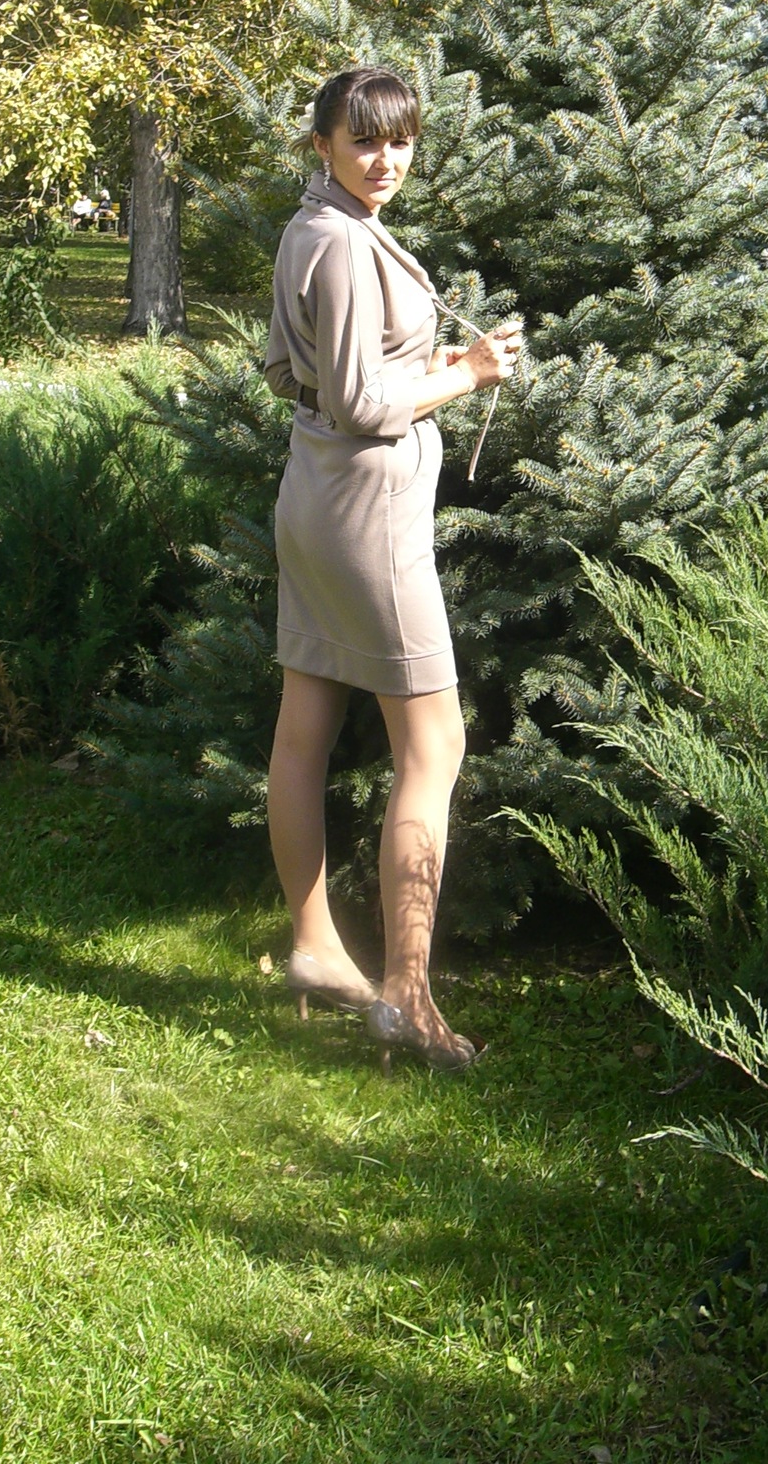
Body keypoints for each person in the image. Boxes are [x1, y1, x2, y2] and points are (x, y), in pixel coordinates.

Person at [263, 65, 522, 1073]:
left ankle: (317, 947)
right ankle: (407, 996)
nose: (385, 159)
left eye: (401, 140)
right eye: (365, 138)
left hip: (316, 495)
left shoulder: (312, 227)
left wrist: (420, 371)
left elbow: (289, 373)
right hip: (364, 514)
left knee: (305, 726)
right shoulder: (340, 241)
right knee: (435, 744)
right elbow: (362, 404)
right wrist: (467, 373)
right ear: (323, 142)